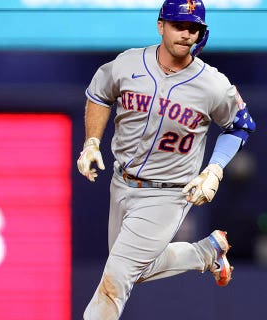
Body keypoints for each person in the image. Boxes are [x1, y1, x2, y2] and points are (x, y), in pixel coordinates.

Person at [76, 0, 256, 318]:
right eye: (178, 25)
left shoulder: (212, 84)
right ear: (161, 26)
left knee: (113, 283)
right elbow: (99, 93)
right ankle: (206, 253)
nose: (186, 34)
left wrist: (214, 169)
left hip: (167, 192)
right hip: (122, 181)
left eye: (193, 28)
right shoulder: (128, 63)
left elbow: (240, 124)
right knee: (138, 269)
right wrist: (92, 141)